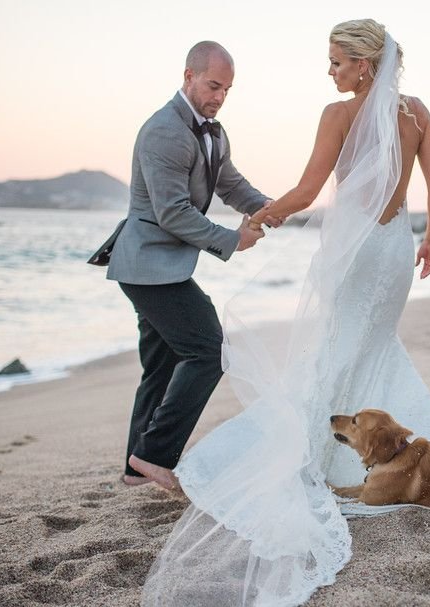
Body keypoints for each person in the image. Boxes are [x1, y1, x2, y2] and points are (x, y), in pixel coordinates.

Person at [129, 20, 430, 607]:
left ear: (365, 66)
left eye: (337, 62)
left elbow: (310, 192)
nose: (330, 72)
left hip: (356, 250)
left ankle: (301, 458)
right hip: (394, 252)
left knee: (331, 357)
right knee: (367, 350)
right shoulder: (417, 113)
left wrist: (257, 220)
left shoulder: (338, 114)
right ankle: (375, 455)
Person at [103, 41, 281, 493]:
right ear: (188, 76)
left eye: (227, 89)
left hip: (165, 267)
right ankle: (155, 455)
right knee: (208, 350)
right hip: (145, 265)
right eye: (213, 85)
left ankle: (134, 468)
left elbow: (230, 184)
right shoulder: (164, 130)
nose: (220, 96)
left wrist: (268, 207)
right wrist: (232, 240)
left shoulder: (213, 132)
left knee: (161, 366)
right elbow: (173, 213)